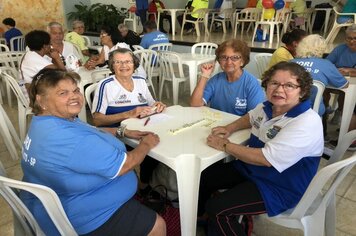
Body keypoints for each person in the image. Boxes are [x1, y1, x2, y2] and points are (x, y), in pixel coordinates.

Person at [20, 68, 166, 236]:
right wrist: (146, 144)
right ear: (41, 101)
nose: (74, 96)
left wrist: (122, 132)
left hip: (55, 202)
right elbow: (125, 165)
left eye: (75, 90)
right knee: (158, 225)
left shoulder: (47, 122)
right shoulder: (69, 139)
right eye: (62, 93)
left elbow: (93, 130)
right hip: (81, 216)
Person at [198, 61, 324, 235]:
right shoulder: (267, 106)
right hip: (251, 169)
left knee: (218, 208)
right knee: (204, 176)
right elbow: (250, 117)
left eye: (289, 85)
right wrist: (229, 128)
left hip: (280, 186)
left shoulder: (306, 122)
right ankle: (200, 219)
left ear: (302, 91)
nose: (279, 90)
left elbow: (266, 159)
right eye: (274, 83)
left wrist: (225, 145)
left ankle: (221, 221)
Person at [91, 48, 166, 200]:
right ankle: (133, 186)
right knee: (148, 147)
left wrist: (158, 105)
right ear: (112, 65)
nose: (124, 65)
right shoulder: (106, 85)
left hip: (142, 127)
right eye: (118, 62)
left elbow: (151, 102)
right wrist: (129, 113)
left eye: (128, 61)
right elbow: (97, 119)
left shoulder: (140, 81)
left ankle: (144, 184)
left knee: (160, 142)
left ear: (134, 64)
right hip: (116, 133)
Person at [190, 39, 265, 116]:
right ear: (219, 61)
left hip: (240, 126)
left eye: (235, 57)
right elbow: (195, 104)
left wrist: (227, 128)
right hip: (216, 122)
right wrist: (205, 75)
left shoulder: (252, 84)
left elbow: (254, 116)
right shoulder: (215, 80)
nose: (229, 62)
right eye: (224, 57)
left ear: (242, 61)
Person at [291, 34, 349, 116]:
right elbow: (344, 85)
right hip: (313, 111)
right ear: (321, 49)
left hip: (287, 108)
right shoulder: (326, 64)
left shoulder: (290, 63)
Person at [325, 24, 356, 125]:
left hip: (351, 85)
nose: (352, 41)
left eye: (355, 38)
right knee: (321, 88)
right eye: (349, 38)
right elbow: (326, 64)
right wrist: (337, 70)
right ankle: (324, 113)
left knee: (345, 93)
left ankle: (342, 114)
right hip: (337, 80)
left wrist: (350, 71)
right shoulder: (340, 49)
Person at [20, 30, 66, 94]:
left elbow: (54, 69)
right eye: (50, 44)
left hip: (30, 88)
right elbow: (65, 76)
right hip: (34, 95)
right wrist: (57, 58)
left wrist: (53, 58)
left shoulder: (30, 54)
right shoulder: (38, 60)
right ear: (45, 46)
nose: (51, 46)